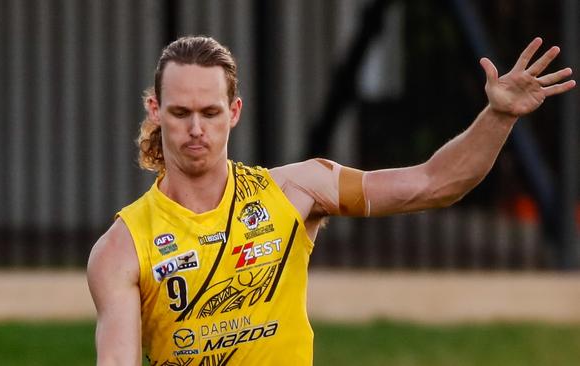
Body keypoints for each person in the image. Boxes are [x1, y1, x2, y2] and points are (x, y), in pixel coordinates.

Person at [87, 35, 575, 365]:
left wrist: (498, 116)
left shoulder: (296, 190)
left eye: (210, 112)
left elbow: (434, 183)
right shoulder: (122, 248)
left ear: (234, 112)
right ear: (155, 109)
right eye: (180, 112)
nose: (196, 129)